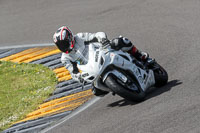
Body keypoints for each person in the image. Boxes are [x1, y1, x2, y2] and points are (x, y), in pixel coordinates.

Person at [53, 26, 150, 95]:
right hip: (93, 70)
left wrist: (103, 39)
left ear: (70, 38)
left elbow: (97, 35)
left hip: (103, 52)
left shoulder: (80, 37)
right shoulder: (65, 58)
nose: (63, 47)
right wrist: (78, 77)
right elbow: (72, 72)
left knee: (121, 41)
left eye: (64, 43)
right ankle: (118, 87)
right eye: (60, 45)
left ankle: (140, 55)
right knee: (96, 91)